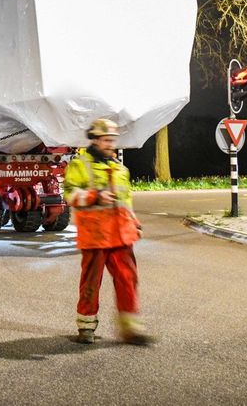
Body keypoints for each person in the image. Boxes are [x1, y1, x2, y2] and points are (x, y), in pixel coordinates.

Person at [63, 118, 151, 346]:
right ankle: (86, 326)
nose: (111, 144)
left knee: (128, 279)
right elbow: (70, 195)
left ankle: (130, 328)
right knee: (91, 283)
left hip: (121, 236)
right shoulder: (79, 165)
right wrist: (94, 195)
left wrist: (135, 222)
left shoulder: (121, 169)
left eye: (113, 140)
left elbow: (125, 202)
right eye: (106, 140)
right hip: (95, 236)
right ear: (94, 140)